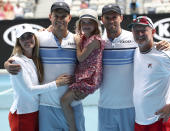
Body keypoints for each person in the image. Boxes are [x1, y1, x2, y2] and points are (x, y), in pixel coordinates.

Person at [4, 2, 86, 131]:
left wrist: (85, 89)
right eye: (56, 16)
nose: (59, 19)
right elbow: (20, 52)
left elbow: (90, 66)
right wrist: (8, 63)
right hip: (47, 108)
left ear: (69, 18)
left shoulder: (78, 41)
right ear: (50, 17)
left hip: (73, 106)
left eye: (63, 16)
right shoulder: (39, 38)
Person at [98, 3, 170, 131]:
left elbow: (154, 47)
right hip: (105, 107)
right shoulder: (97, 43)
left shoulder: (133, 38)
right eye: (107, 17)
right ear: (102, 19)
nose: (111, 21)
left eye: (114, 17)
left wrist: (168, 45)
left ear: (121, 18)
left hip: (131, 108)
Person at [129, 16, 170, 131]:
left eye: (144, 30)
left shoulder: (162, 53)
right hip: (140, 121)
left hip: (160, 120)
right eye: (136, 30)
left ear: (153, 32)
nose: (139, 34)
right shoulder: (134, 50)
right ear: (132, 32)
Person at [8, 24, 70, 131]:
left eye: (29, 36)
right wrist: (57, 83)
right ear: (18, 42)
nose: (27, 40)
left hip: (35, 112)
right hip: (22, 114)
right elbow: (30, 90)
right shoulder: (16, 61)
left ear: (34, 37)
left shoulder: (35, 59)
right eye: (23, 38)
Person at [60, 9, 105, 131]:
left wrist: (77, 42)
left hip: (89, 79)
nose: (86, 26)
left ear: (96, 25)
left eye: (89, 23)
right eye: (83, 23)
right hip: (83, 76)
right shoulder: (85, 37)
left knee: (64, 101)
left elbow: (80, 57)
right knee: (70, 101)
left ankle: (73, 129)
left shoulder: (95, 40)